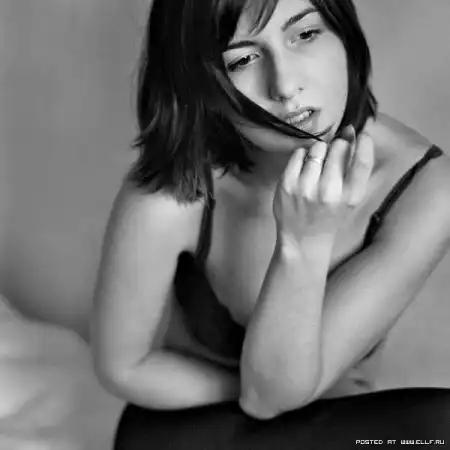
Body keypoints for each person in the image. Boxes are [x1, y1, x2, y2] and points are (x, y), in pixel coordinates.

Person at [90, 0, 450, 448]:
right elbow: (125, 367)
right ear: (200, 79)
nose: (284, 85)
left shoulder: (422, 186)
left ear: (345, 36)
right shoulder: (175, 193)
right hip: (197, 429)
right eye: (242, 60)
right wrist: (302, 243)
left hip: (338, 428)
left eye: (306, 34)